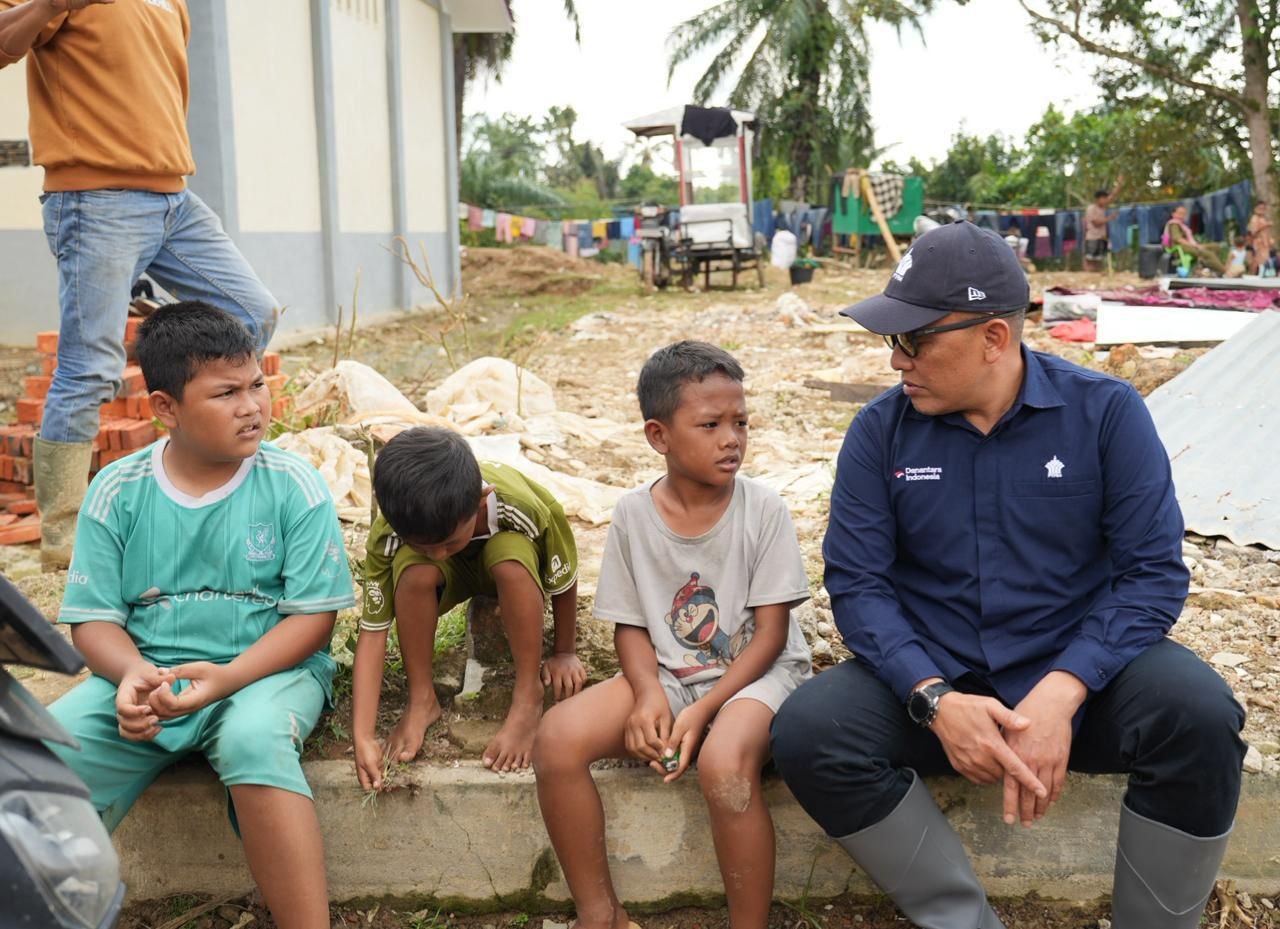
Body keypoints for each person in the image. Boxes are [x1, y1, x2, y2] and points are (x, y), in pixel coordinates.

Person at [771, 221, 1246, 929]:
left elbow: (1151, 574)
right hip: (939, 684)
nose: (896, 360)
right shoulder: (879, 432)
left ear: (994, 337)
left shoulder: (1105, 414)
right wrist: (933, 697)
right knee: (811, 731)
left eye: (913, 339)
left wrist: (1064, 689)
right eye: (891, 340)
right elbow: (859, 586)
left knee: (1201, 716)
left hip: (1081, 683)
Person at [46, 302, 354, 929]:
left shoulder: (293, 485)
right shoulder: (117, 490)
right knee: (43, 758)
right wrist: (131, 674)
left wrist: (229, 678)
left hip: (266, 672)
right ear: (166, 407)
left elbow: (313, 620)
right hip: (149, 673)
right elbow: (93, 620)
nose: (252, 406)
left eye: (256, 385)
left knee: (252, 739)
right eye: (226, 393)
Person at [533, 342, 812, 929]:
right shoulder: (633, 514)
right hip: (670, 676)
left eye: (740, 423)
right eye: (710, 425)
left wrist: (704, 709)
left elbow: (771, 636)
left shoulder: (763, 510)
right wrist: (647, 695)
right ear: (658, 436)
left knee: (724, 766)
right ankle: (601, 915)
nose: (731, 439)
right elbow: (631, 624)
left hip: (759, 677)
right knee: (556, 738)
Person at [0, 0, 278, 568]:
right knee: (88, 367)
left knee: (253, 313)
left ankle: (190, 460)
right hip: (96, 198)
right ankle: (65, 537)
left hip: (173, 198)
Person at [353, 427, 585, 780]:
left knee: (509, 560)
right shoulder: (392, 530)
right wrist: (363, 735)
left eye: (448, 542)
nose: (437, 553)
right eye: (423, 545)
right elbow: (372, 632)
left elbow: (563, 579)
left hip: (507, 567)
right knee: (416, 571)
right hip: (450, 579)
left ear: (481, 501)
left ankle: (527, 696)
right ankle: (421, 698)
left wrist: (565, 651)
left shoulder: (521, 506)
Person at [1162, 204, 1225, 274]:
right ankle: (1224, 271)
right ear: (1173, 214)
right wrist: (1195, 246)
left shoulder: (1182, 225)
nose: (1181, 216)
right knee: (1207, 253)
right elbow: (1178, 239)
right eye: (1179, 213)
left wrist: (1196, 245)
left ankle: (1212, 267)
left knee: (1215, 246)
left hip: (1189, 246)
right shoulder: (1174, 224)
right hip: (1180, 248)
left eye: (1183, 214)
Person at [1083, 176, 1123, 272]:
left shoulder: (1102, 208)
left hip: (1101, 237)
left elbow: (1112, 196)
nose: (1105, 200)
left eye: (1106, 198)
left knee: (1099, 259)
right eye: (1103, 198)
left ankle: (1096, 276)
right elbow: (1096, 223)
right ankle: (1088, 275)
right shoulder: (1091, 208)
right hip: (1092, 237)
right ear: (1098, 199)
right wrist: (1110, 218)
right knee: (1090, 259)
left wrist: (1119, 185)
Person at [1246, 201, 1273, 275]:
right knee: (1257, 262)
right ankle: (1252, 276)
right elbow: (1253, 232)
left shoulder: (1263, 218)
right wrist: (1265, 225)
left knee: (1264, 262)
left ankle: (1262, 275)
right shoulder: (1254, 218)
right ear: (1255, 209)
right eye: (1260, 208)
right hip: (1258, 243)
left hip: (1265, 244)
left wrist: (1270, 240)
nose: (1262, 210)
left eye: (1263, 208)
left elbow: (1266, 232)